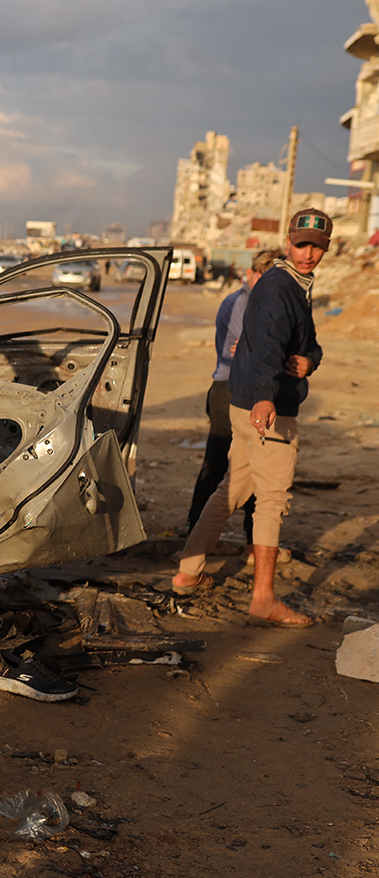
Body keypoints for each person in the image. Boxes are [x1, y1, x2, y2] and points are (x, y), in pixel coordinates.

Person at [170, 208, 331, 628]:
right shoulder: (281, 287)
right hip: (265, 406)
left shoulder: (293, 284)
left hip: (243, 404)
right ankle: (263, 600)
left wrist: (310, 361)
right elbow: (265, 346)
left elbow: (306, 342)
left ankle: (187, 572)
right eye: (301, 244)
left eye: (316, 246)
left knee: (232, 488)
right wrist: (265, 397)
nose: (308, 253)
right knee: (272, 500)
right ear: (289, 242)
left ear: (325, 248)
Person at [184, 249, 281, 544]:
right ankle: (195, 532)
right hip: (231, 389)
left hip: (242, 388)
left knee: (254, 464)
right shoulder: (243, 303)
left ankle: (252, 537)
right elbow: (247, 352)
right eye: (267, 278)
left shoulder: (255, 302)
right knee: (219, 463)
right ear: (253, 274)